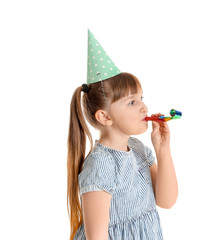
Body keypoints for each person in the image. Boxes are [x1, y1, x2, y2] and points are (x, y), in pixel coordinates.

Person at [67, 30, 178, 240]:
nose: (144, 107)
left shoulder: (138, 150)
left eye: (141, 98)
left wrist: (162, 149)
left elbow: (166, 201)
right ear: (105, 117)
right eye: (132, 102)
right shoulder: (101, 165)